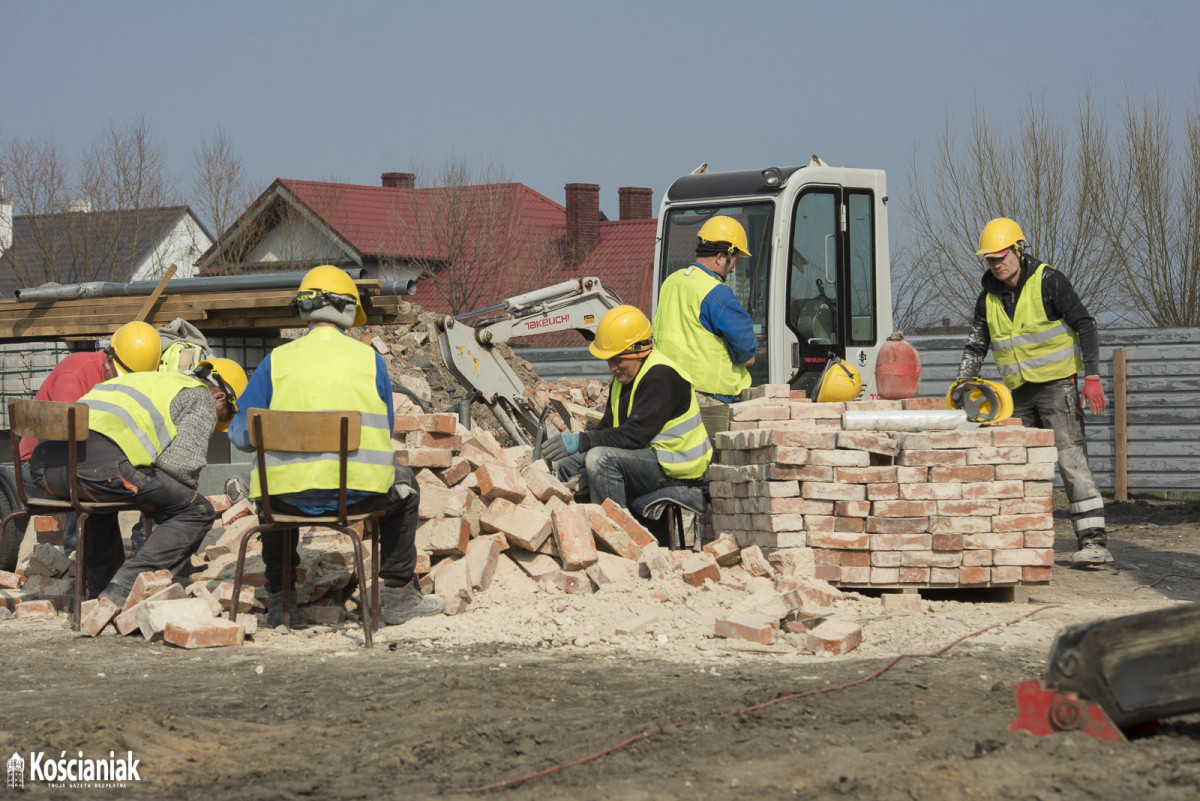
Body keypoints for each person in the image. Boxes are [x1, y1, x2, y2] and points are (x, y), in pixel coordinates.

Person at [227, 264, 444, 628]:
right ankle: (396, 594)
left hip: (285, 500)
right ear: (348, 312)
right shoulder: (369, 361)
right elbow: (385, 426)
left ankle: (282, 603)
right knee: (406, 486)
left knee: (270, 496)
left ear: (304, 310)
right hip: (357, 497)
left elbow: (240, 435)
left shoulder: (275, 362)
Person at [27, 356, 246, 616]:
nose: (218, 421)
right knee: (196, 510)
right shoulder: (199, 396)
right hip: (100, 469)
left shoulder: (147, 379)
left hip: (46, 470)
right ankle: (128, 585)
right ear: (220, 397)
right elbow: (180, 468)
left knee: (103, 503)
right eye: (225, 415)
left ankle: (100, 595)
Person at [956, 217, 1111, 568]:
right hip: (1018, 394)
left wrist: (1093, 376)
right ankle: (1021, 540)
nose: (997, 265)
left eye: (1001, 257)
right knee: (1019, 467)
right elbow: (975, 346)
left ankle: (1094, 543)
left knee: (1071, 461)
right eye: (990, 260)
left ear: (1018, 250)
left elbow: (1085, 324)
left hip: (1058, 386)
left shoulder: (1048, 281)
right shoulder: (987, 299)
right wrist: (962, 386)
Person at [543, 305, 712, 514]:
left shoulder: (661, 378)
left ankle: (617, 536)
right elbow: (607, 427)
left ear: (639, 350)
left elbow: (635, 435)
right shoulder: (623, 379)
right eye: (609, 359)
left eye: (617, 358)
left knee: (600, 459)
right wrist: (577, 447)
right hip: (647, 457)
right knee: (567, 465)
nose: (612, 367)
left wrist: (582, 441)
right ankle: (572, 527)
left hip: (676, 466)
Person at [18, 320, 162, 555]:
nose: (126, 385)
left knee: (157, 476)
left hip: (77, 463)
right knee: (92, 471)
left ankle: (147, 547)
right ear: (108, 359)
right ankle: (79, 555)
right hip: (36, 468)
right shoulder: (76, 372)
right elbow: (66, 442)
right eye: (122, 376)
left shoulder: (122, 379)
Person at [652, 215, 758, 403]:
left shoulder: (671, 282)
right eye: (734, 261)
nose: (733, 269)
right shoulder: (716, 292)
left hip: (668, 391)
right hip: (711, 397)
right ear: (720, 257)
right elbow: (746, 352)